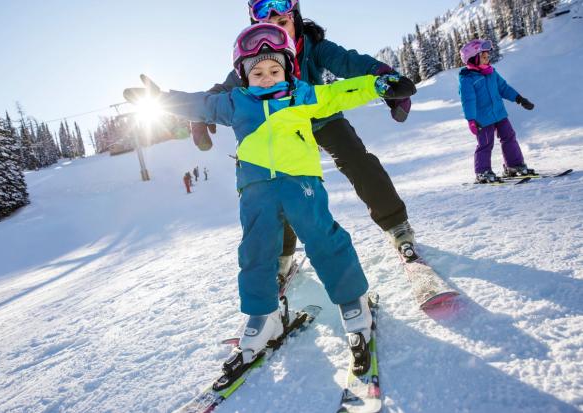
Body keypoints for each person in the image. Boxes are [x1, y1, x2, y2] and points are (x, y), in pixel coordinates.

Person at [124, 23, 416, 377]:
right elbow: (197, 103)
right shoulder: (234, 103)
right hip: (255, 190)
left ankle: (352, 301)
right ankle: (263, 316)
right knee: (256, 251)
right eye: (257, 72)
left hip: (301, 183)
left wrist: (378, 83)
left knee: (323, 238)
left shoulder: (302, 94)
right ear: (244, 76)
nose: (266, 77)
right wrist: (161, 99)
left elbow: (339, 94)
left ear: (287, 69)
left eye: (274, 69)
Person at [190, 0, 418, 267]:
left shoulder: (313, 46)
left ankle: (397, 225)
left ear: (295, 17)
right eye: (268, 23)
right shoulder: (256, 56)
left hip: (322, 116)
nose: (277, 24)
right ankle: (282, 255)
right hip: (284, 127)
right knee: (277, 178)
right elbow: (226, 87)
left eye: (283, 20)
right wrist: (200, 115)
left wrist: (384, 76)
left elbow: (349, 62)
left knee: (356, 159)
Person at [459, 39, 536, 184]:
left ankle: (514, 165)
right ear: (473, 59)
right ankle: (482, 172)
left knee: (509, 136)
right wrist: (471, 120)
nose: (488, 58)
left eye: (488, 56)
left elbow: (504, 88)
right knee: (485, 144)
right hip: (482, 119)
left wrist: (519, 99)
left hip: (500, 114)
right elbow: (468, 101)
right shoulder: (467, 79)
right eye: (484, 56)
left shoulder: (492, 73)